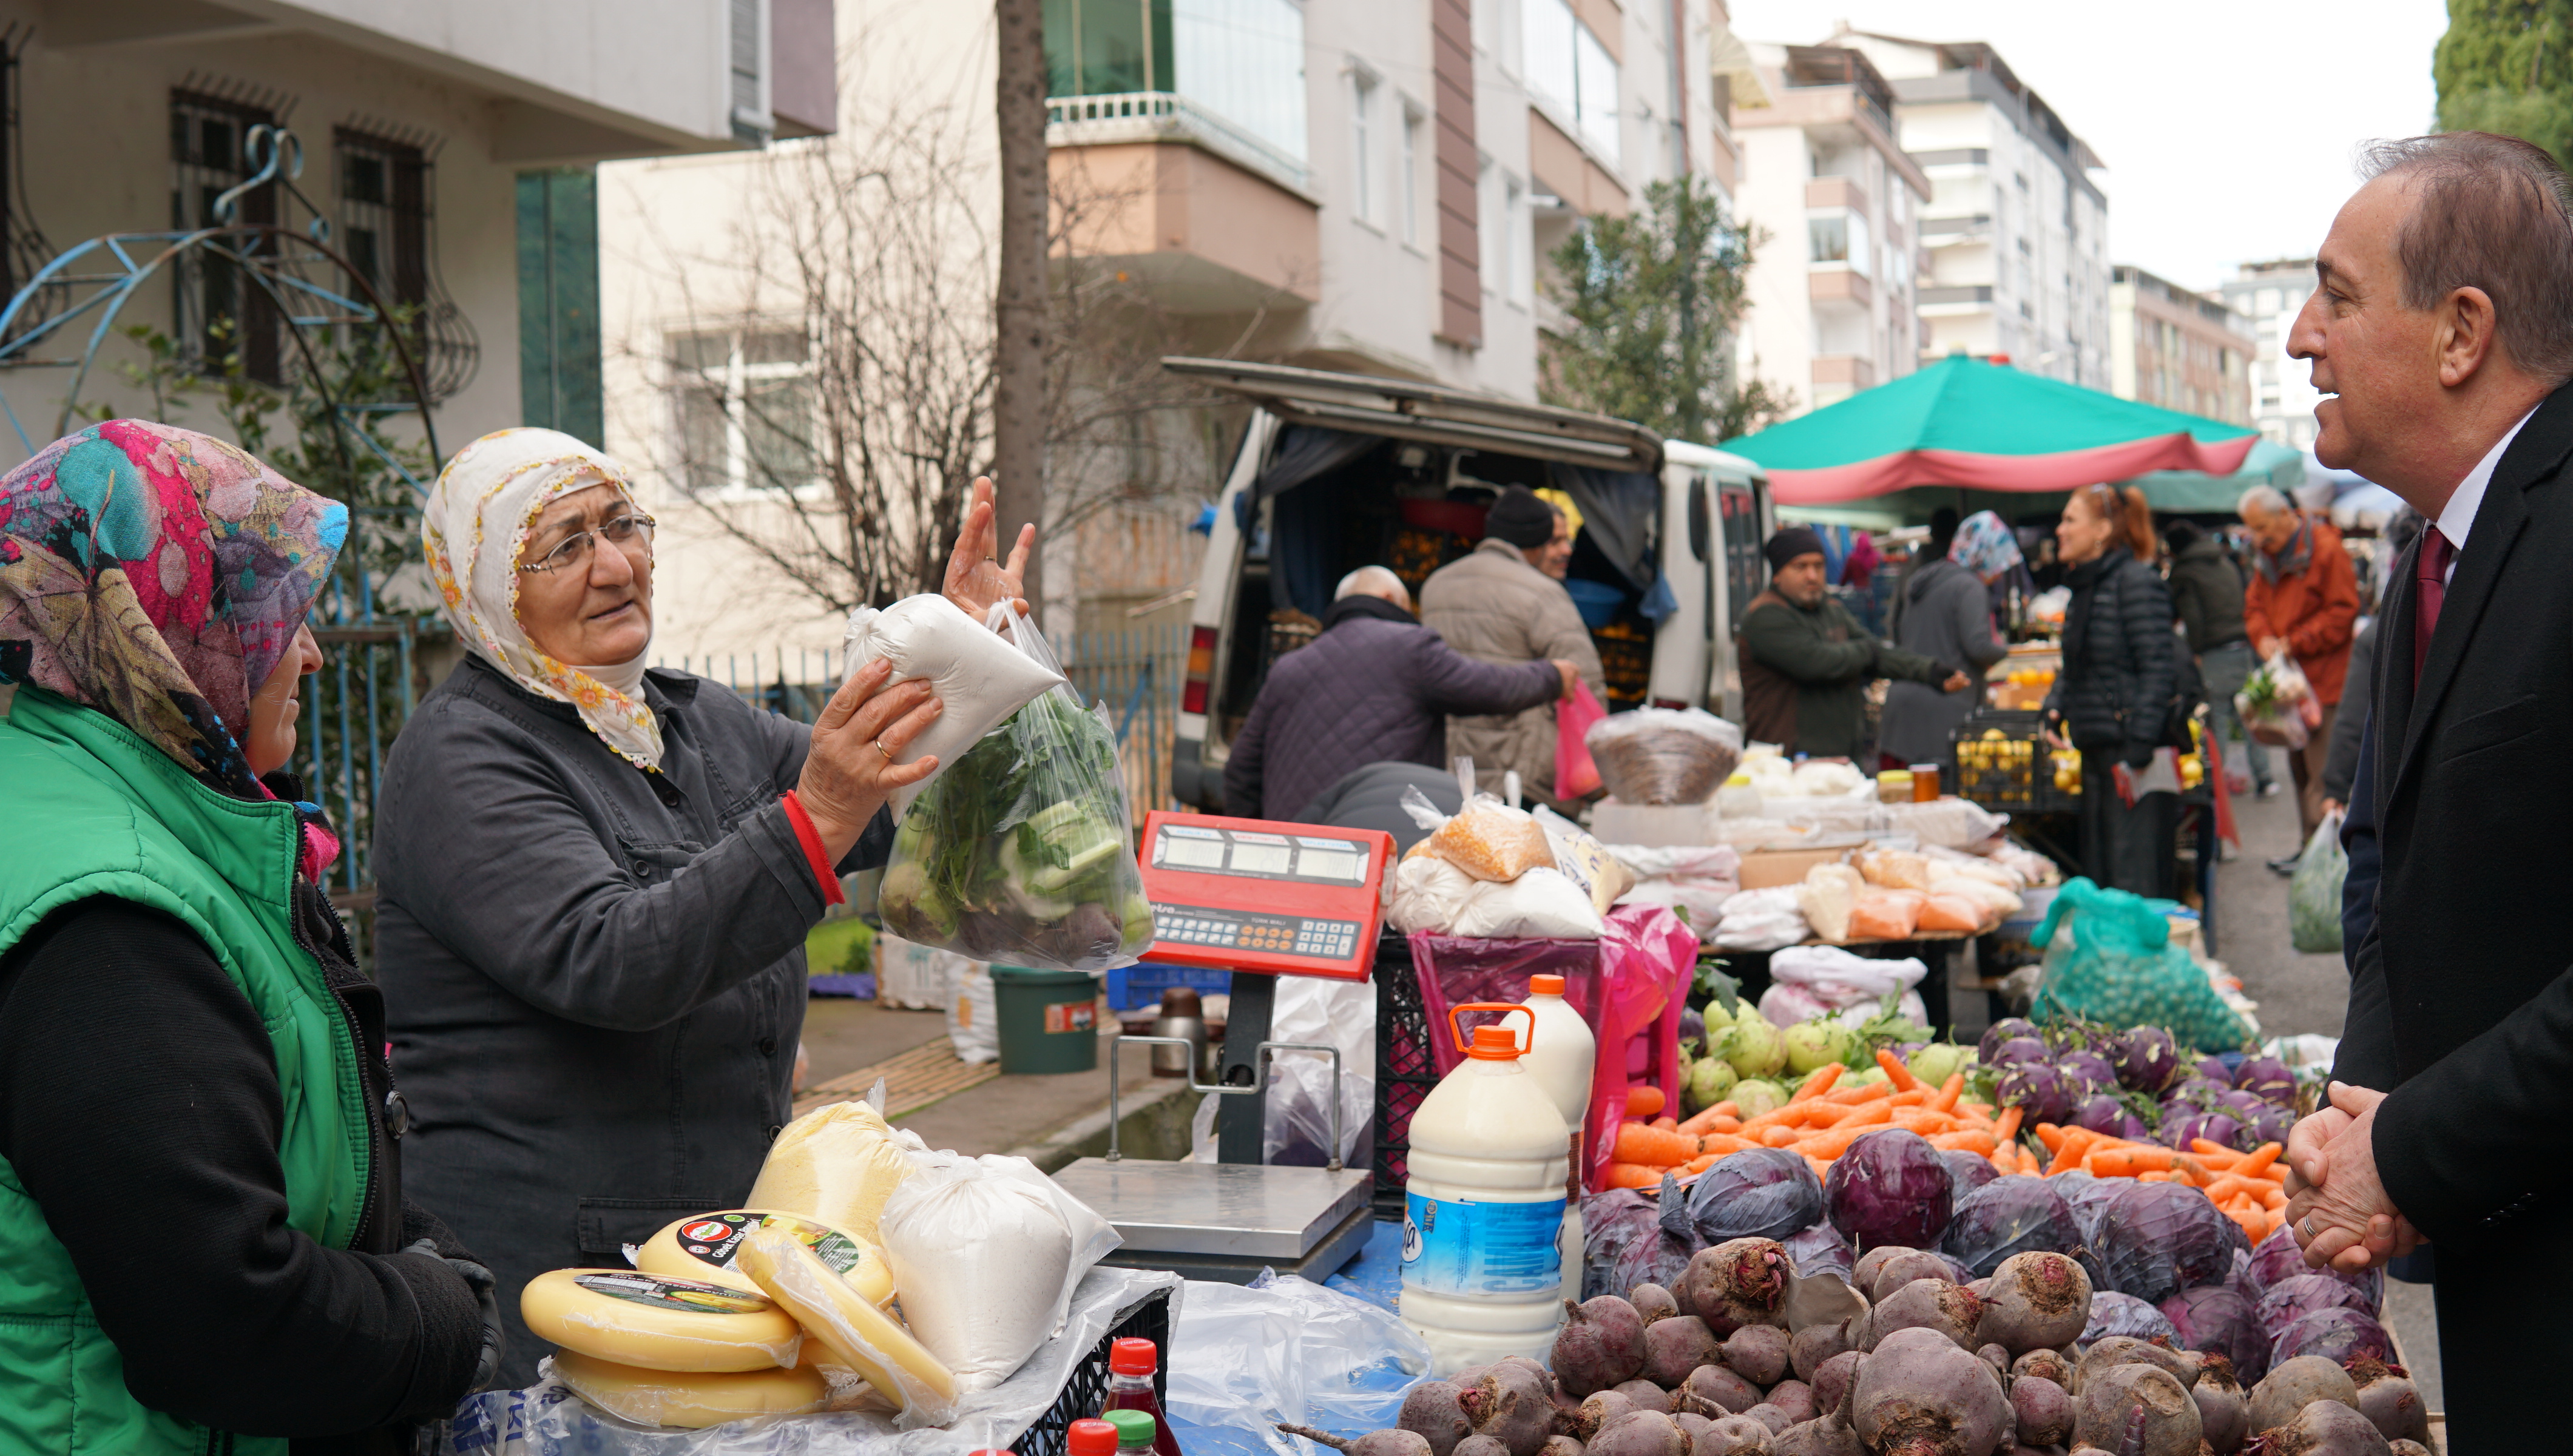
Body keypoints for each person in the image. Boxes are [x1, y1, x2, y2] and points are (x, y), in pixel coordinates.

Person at [374, 428, 1030, 1387]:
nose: (612, 566)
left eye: (623, 527)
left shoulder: (688, 720)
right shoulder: (464, 757)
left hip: (708, 1259)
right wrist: (819, 813)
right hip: (556, 1288)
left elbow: (879, 806)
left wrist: (967, 655)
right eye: (562, 547)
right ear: (487, 589)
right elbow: (610, 959)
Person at [0, 422, 496, 1454]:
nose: (309, 651)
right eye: (271, 617)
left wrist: (396, 1236)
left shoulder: (92, 809)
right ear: (158, 618)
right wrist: (436, 1320)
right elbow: (222, 1322)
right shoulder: (111, 917)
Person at [2271, 133, 2573, 1452]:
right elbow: (2386, 860)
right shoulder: (2427, 555)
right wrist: (2367, 1111)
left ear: (2459, 333)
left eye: (2334, 295)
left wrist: (2413, 1150)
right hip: (2505, 1254)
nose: (2298, 338)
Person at [1223, 565, 1577, 819]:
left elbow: (1240, 769)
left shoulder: (1288, 667)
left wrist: (1265, 837)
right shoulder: (1412, 647)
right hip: (1375, 845)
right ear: (1391, 599)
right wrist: (1552, 677)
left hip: (1295, 848)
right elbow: (1490, 688)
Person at [1419, 485, 1604, 803]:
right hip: (1517, 777)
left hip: (1450, 767)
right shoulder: (1542, 593)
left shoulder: (1436, 584)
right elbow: (1583, 682)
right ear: (1536, 543)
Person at [2043, 484, 2179, 897]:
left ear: (2102, 529)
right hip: (2096, 752)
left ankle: (2134, 963)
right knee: (2104, 878)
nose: (2060, 530)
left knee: (2132, 879)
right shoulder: (2085, 589)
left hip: (2131, 760)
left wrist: (2139, 740)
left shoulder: (2135, 582)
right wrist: (2055, 706)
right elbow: (2077, 664)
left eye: (2070, 520)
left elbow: (2160, 666)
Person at [1738, 524, 1969, 757]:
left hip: (1840, 758)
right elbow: (1817, 662)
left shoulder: (1830, 609)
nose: (1812, 576)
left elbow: (1878, 654)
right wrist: (1864, 652)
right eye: (1800, 567)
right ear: (1778, 573)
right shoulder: (1765, 616)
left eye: (1818, 566)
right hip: (1787, 761)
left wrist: (1930, 671)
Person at [2239, 484, 2361, 854]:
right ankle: (2309, 848)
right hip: (2289, 687)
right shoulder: (2268, 557)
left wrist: (2297, 640)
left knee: (2323, 777)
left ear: (2285, 515)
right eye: (2252, 530)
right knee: (2299, 771)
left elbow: (2344, 611)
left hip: (2324, 685)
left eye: (2262, 528)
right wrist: (2263, 638)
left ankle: (2328, 856)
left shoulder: (2325, 548)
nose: (2258, 538)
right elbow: (2254, 607)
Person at [1879, 510, 2018, 775]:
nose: (1999, 575)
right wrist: (2009, 652)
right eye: (2000, 564)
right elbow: (1978, 647)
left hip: (1902, 709)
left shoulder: (1929, 577)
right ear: (1985, 553)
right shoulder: (1969, 586)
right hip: (1941, 715)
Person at [2164, 517, 2276, 801]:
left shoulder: (2185, 572)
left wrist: (2195, 652)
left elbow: (2194, 619)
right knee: (2248, 715)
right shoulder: (2223, 560)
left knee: (2218, 719)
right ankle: (2265, 779)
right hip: (2242, 647)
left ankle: (2214, 785)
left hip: (2215, 651)